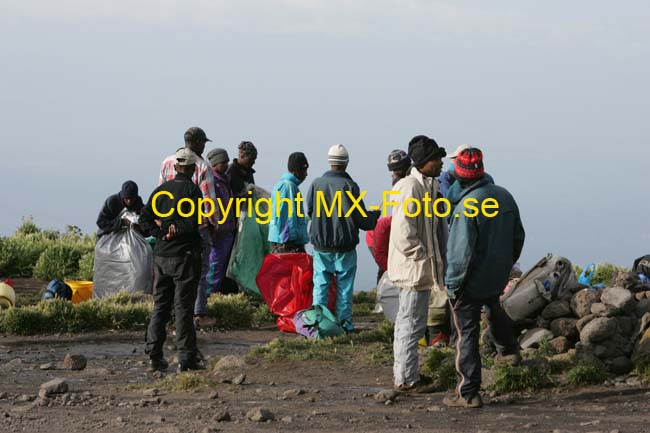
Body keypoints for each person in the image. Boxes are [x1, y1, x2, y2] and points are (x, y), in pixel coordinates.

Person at [443, 148, 525, 409]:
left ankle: (467, 392)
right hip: (495, 275)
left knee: (465, 332)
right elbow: (518, 237)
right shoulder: (504, 196)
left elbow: (459, 254)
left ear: (459, 177)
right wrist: (503, 266)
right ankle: (509, 351)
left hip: (469, 281)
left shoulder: (467, 206)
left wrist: (453, 286)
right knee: (493, 307)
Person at [388, 135, 447, 392]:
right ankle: (406, 378)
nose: (441, 163)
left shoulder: (426, 186)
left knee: (411, 323)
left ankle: (407, 375)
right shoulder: (411, 188)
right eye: (437, 159)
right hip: (414, 270)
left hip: (418, 269)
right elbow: (404, 234)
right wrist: (423, 257)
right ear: (425, 162)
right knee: (410, 324)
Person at [140, 148, 204, 372]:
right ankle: (186, 359)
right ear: (193, 168)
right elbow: (194, 223)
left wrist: (161, 233)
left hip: (162, 256)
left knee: (160, 307)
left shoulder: (161, 191)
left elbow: (144, 219)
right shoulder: (193, 191)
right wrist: (174, 230)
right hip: (184, 257)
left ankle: (154, 355)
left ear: (176, 167)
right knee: (183, 308)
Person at [306, 144, 380, 332]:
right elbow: (363, 220)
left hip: (321, 246)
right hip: (345, 247)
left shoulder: (316, 184)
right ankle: (344, 325)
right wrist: (374, 216)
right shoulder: (350, 186)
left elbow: (310, 211)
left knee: (320, 287)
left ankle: (318, 325)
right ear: (346, 163)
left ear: (330, 162)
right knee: (344, 289)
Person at [159, 127, 217, 327]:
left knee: (171, 273)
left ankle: (172, 314)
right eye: (203, 143)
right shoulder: (202, 165)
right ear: (199, 142)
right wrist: (213, 224)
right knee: (199, 271)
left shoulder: (167, 162)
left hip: (171, 228)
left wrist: (164, 225)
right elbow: (208, 201)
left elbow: (161, 195)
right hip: (196, 227)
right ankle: (198, 312)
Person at [366, 150, 411, 283]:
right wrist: (391, 271)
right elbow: (380, 254)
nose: (395, 173)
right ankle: (382, 292)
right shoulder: (386, 223)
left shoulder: (403, 184)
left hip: (388, 231)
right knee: (385, 268)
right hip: (376, 236)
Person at [206, 148, 237, 294]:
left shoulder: (224, 180)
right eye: (223, 162)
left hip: (227, 232)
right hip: (218, 234)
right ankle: (207, 298)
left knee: (221, 269)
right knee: (214, 268)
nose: (226, 165)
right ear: (215, 163)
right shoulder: (212, 182)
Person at [268, 152, 310, 253]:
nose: (306, 174)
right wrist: (289, 240)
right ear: (297, 170)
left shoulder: (286, 185)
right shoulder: (288, 187)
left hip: (285, 240)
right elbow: (286, 216)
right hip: (287, 243)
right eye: (305, 170)